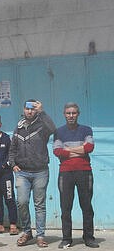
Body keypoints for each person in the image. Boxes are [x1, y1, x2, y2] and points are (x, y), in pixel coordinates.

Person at [8, 100, 56, 248]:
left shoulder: (42, 126)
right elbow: (12, 149)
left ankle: (40, 235)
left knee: (39, 205)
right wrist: (13, 164)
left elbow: (53, 129)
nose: (30, 111)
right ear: (24, 110)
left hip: (40, 171)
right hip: (22, 172)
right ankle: (27, 232)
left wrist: (42, 111)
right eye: (27, 109)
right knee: (22, 202)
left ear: (36, 111)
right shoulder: (19, 127)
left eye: (33, 109)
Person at [53, 102, 98, 248]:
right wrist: (81, 149)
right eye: (68, 113)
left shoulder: (86, 129)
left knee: (86, 206)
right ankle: (66, 238)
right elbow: (58, 151)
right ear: (64, 114)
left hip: (84, 171)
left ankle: (89, 237)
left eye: (73, 113)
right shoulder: (59, 132)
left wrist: (70, 150)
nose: (71, 116)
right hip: (65, 173)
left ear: (78, 114)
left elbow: (90, 147)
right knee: (66, 207)